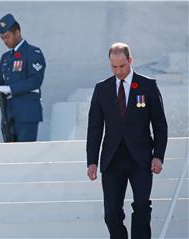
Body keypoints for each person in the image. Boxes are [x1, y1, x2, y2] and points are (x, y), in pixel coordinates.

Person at [86, 42, 168, 239]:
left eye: (122, 66)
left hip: (140, 159)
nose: (118, 71)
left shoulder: (148, 85)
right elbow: (95, 128)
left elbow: (160, 125)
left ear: (130, 61)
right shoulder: (102, 89)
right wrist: (92, 161)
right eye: (113, 67)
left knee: (141, 207)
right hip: (112, 160)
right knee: (111, 214)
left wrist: (158, 156)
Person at [0, 13, 46, 142]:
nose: (5, 41)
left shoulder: (33, 53)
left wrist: (10, 89)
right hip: (8, 114)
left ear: (17, 32)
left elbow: (35, 81)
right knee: (11, 157)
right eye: (2, 38)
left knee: (25, 155)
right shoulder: (5, 58)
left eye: (7, 37)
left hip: (27, 113)